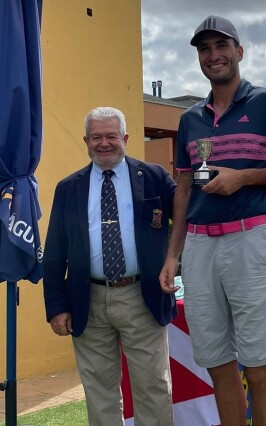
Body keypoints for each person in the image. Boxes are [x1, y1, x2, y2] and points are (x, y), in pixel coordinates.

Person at [159, 15, 266, 426]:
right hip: (198, 247)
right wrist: (172, 255)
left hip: (250, 240)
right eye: (205, 49)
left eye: (221, 46)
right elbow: (183, 189)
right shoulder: (189, 118)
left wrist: (243, 178)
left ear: (239, 52)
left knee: (260, 366)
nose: (213, 56)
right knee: (217, 364)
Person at [43, 106, 176, 426]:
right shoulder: (68, 188)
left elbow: (188, 216)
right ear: (86, 141)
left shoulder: (155, 177)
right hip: (86, 298)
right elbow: (54, 252)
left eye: (111, 136)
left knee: (153, 387)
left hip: (142, 295)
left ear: (125, 138)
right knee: (99, 391)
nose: (104, 143)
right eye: (96, 137)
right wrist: (57, 306)